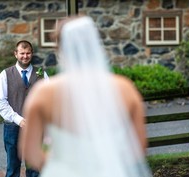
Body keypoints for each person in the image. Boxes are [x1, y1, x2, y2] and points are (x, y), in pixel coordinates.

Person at [18, 16, 151, 177]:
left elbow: (30, 153)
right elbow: (139, 148)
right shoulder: (125, 88)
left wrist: (59, 166)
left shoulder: (43, 92)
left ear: (59, 48)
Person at [0, 40, 48, 177]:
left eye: (28, 53)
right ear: (15, 54)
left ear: (32, 54)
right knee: (13, 168)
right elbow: (1, 103)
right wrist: (18, 120)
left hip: (36, 128)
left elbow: (47, 101)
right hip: (12, 127)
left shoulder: (42, 74)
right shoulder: (5, 74)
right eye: (22, 53)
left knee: (35, 169)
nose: (25, 56)